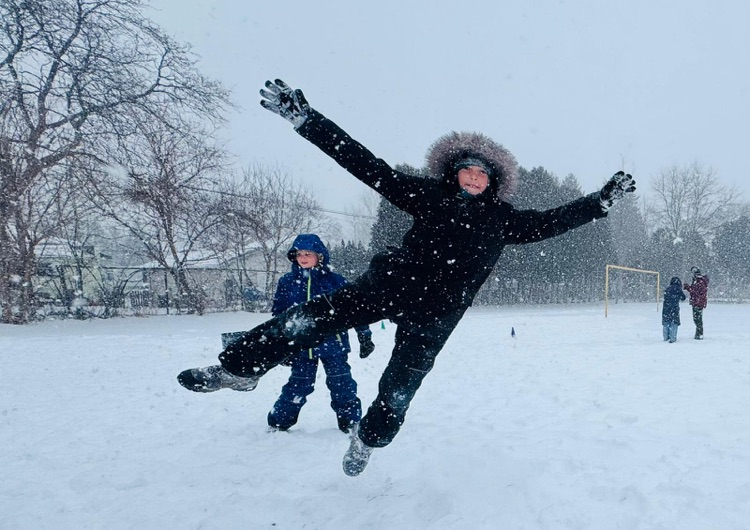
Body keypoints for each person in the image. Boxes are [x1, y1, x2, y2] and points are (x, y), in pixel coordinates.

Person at [178, 78, 636, 476]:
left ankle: (368, 440)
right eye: (467, 171)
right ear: (453, 173)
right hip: (390, 284)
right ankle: (238, 369)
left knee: (399, 389)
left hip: (438, 313)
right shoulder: (428, 196)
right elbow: (368, 167)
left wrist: (601, 202)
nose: (473, 179)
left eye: (482, 175)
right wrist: (308, 121)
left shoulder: (505, 220)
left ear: (493, 182)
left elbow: (553, 222)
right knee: (305, 321)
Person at [267, 234, 374, 433]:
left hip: (333, 344)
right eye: (299, 253)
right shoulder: (287, 282)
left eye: (308, 253)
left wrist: (364, 335)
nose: (303, 257)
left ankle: (350, 421)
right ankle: (279, 421)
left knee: (342, 384)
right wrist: (280, 345)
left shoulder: (335, 281)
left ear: (320, 256)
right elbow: (279, 315)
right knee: (299, 385)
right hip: (301, 346)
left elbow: (356, 309)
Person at [683, 266, 709, 339]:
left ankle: (699, 334)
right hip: (697, 302)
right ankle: (699, 333)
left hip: (698, 303)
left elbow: (695, 291)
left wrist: (688, 288)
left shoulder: (700, 282)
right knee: (697, 319)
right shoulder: (699, 281)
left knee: (697, 319)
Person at [662, 276, 686, 343]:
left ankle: (665, 337)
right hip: (674, 308)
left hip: (666, 308)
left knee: (666, 322)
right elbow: (683, 298)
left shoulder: (667, 289)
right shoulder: (678, 289)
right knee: (674, 323)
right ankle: (672, 338)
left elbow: (665, 297)